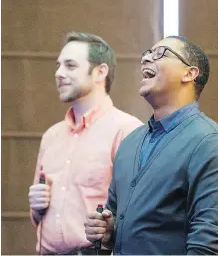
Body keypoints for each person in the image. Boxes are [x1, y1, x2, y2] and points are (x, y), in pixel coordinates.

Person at [84, 35, 218, 255]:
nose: (146, 59)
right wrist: (109, 231)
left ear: (190, 73)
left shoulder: (210, 144)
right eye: (147, 53)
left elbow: (208, 244)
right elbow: (117, 216)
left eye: (160, 54)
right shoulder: (130, 143)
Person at [28, 32, 143, 255]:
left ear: (100, 71)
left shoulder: (127, 130)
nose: (59, 73)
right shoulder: (51, 136)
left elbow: (138, 214)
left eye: (70, 66)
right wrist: (35, 207)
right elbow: (38, 218)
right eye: (58, 66)